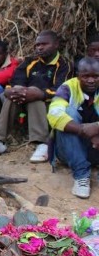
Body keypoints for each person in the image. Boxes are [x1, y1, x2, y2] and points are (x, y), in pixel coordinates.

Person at [0, 30, 73, 162]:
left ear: (56, 45)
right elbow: (15, 82)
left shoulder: (65, 65)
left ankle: (42, 143)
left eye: (44, 44)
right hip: (22, 101)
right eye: (37, 45)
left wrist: (40, 94)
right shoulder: (30, 62)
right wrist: (11, 91)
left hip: (48, 104)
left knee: (34, 96)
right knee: (14, 94)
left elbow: (62, 91)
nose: (40, 47)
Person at [48, 57, 99, 199]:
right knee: (68, 112)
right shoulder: (67, 88)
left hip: (95, 149)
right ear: (78, 76)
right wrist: (82, 130)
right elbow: (54, 114)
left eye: (95, 76)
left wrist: (96, 128)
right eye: (86, 76)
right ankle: (82, 176)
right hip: (69, 150)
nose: (91, 80)